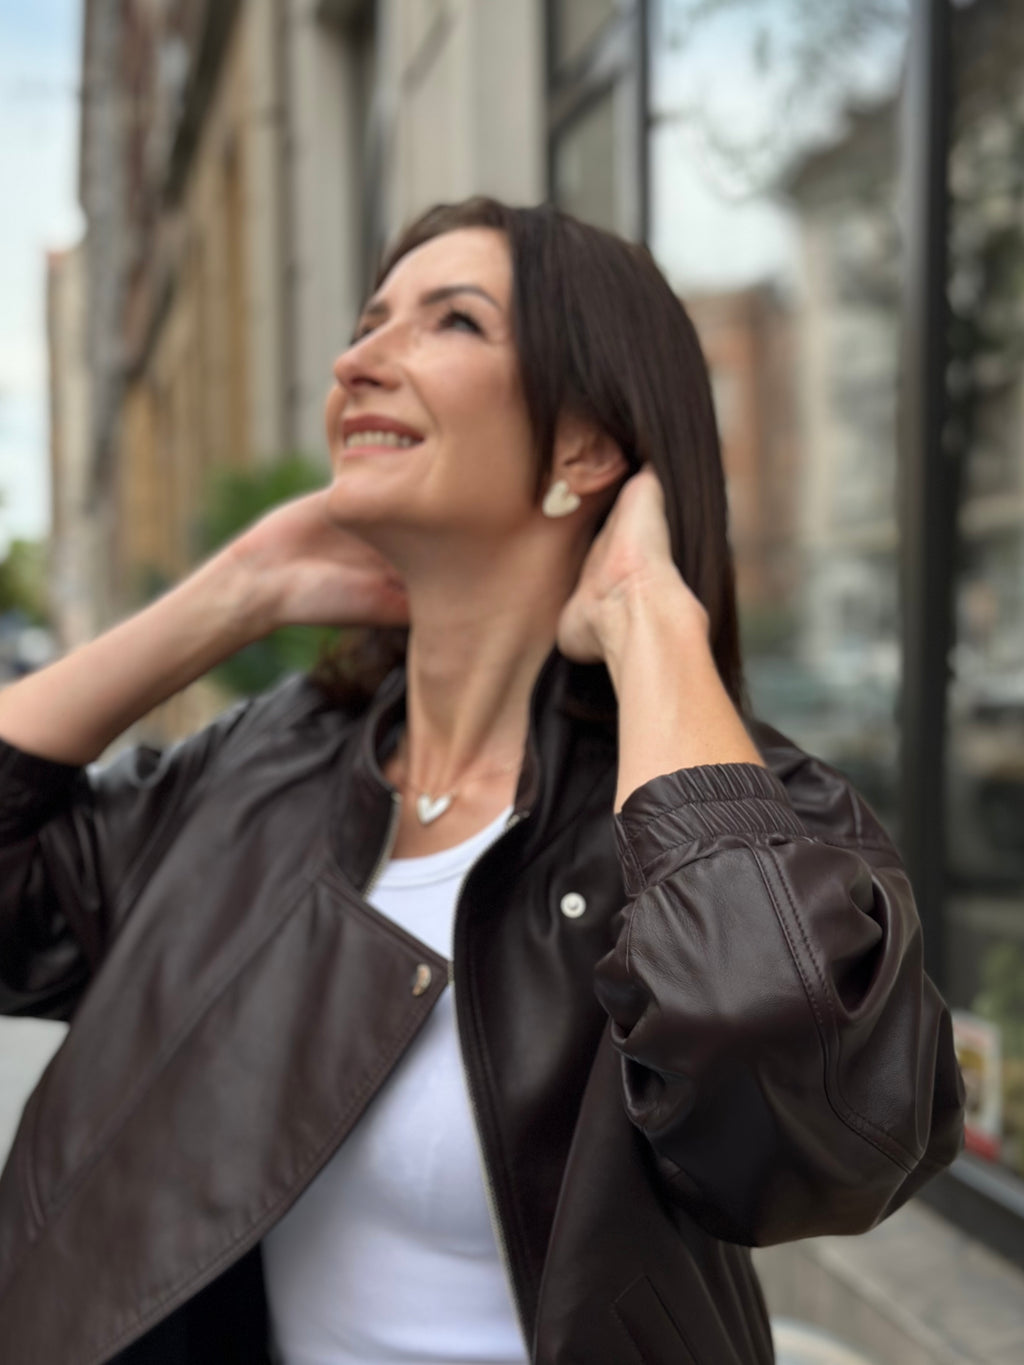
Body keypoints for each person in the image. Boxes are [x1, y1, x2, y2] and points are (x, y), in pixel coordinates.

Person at [0, 198, 963, 1365]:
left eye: (450, 322)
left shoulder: (739, 821)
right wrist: (236, 590)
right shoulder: (265, 765)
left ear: (583, 448)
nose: (359, 360)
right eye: (368, 323)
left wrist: (650, 622)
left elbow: (802, 1140)